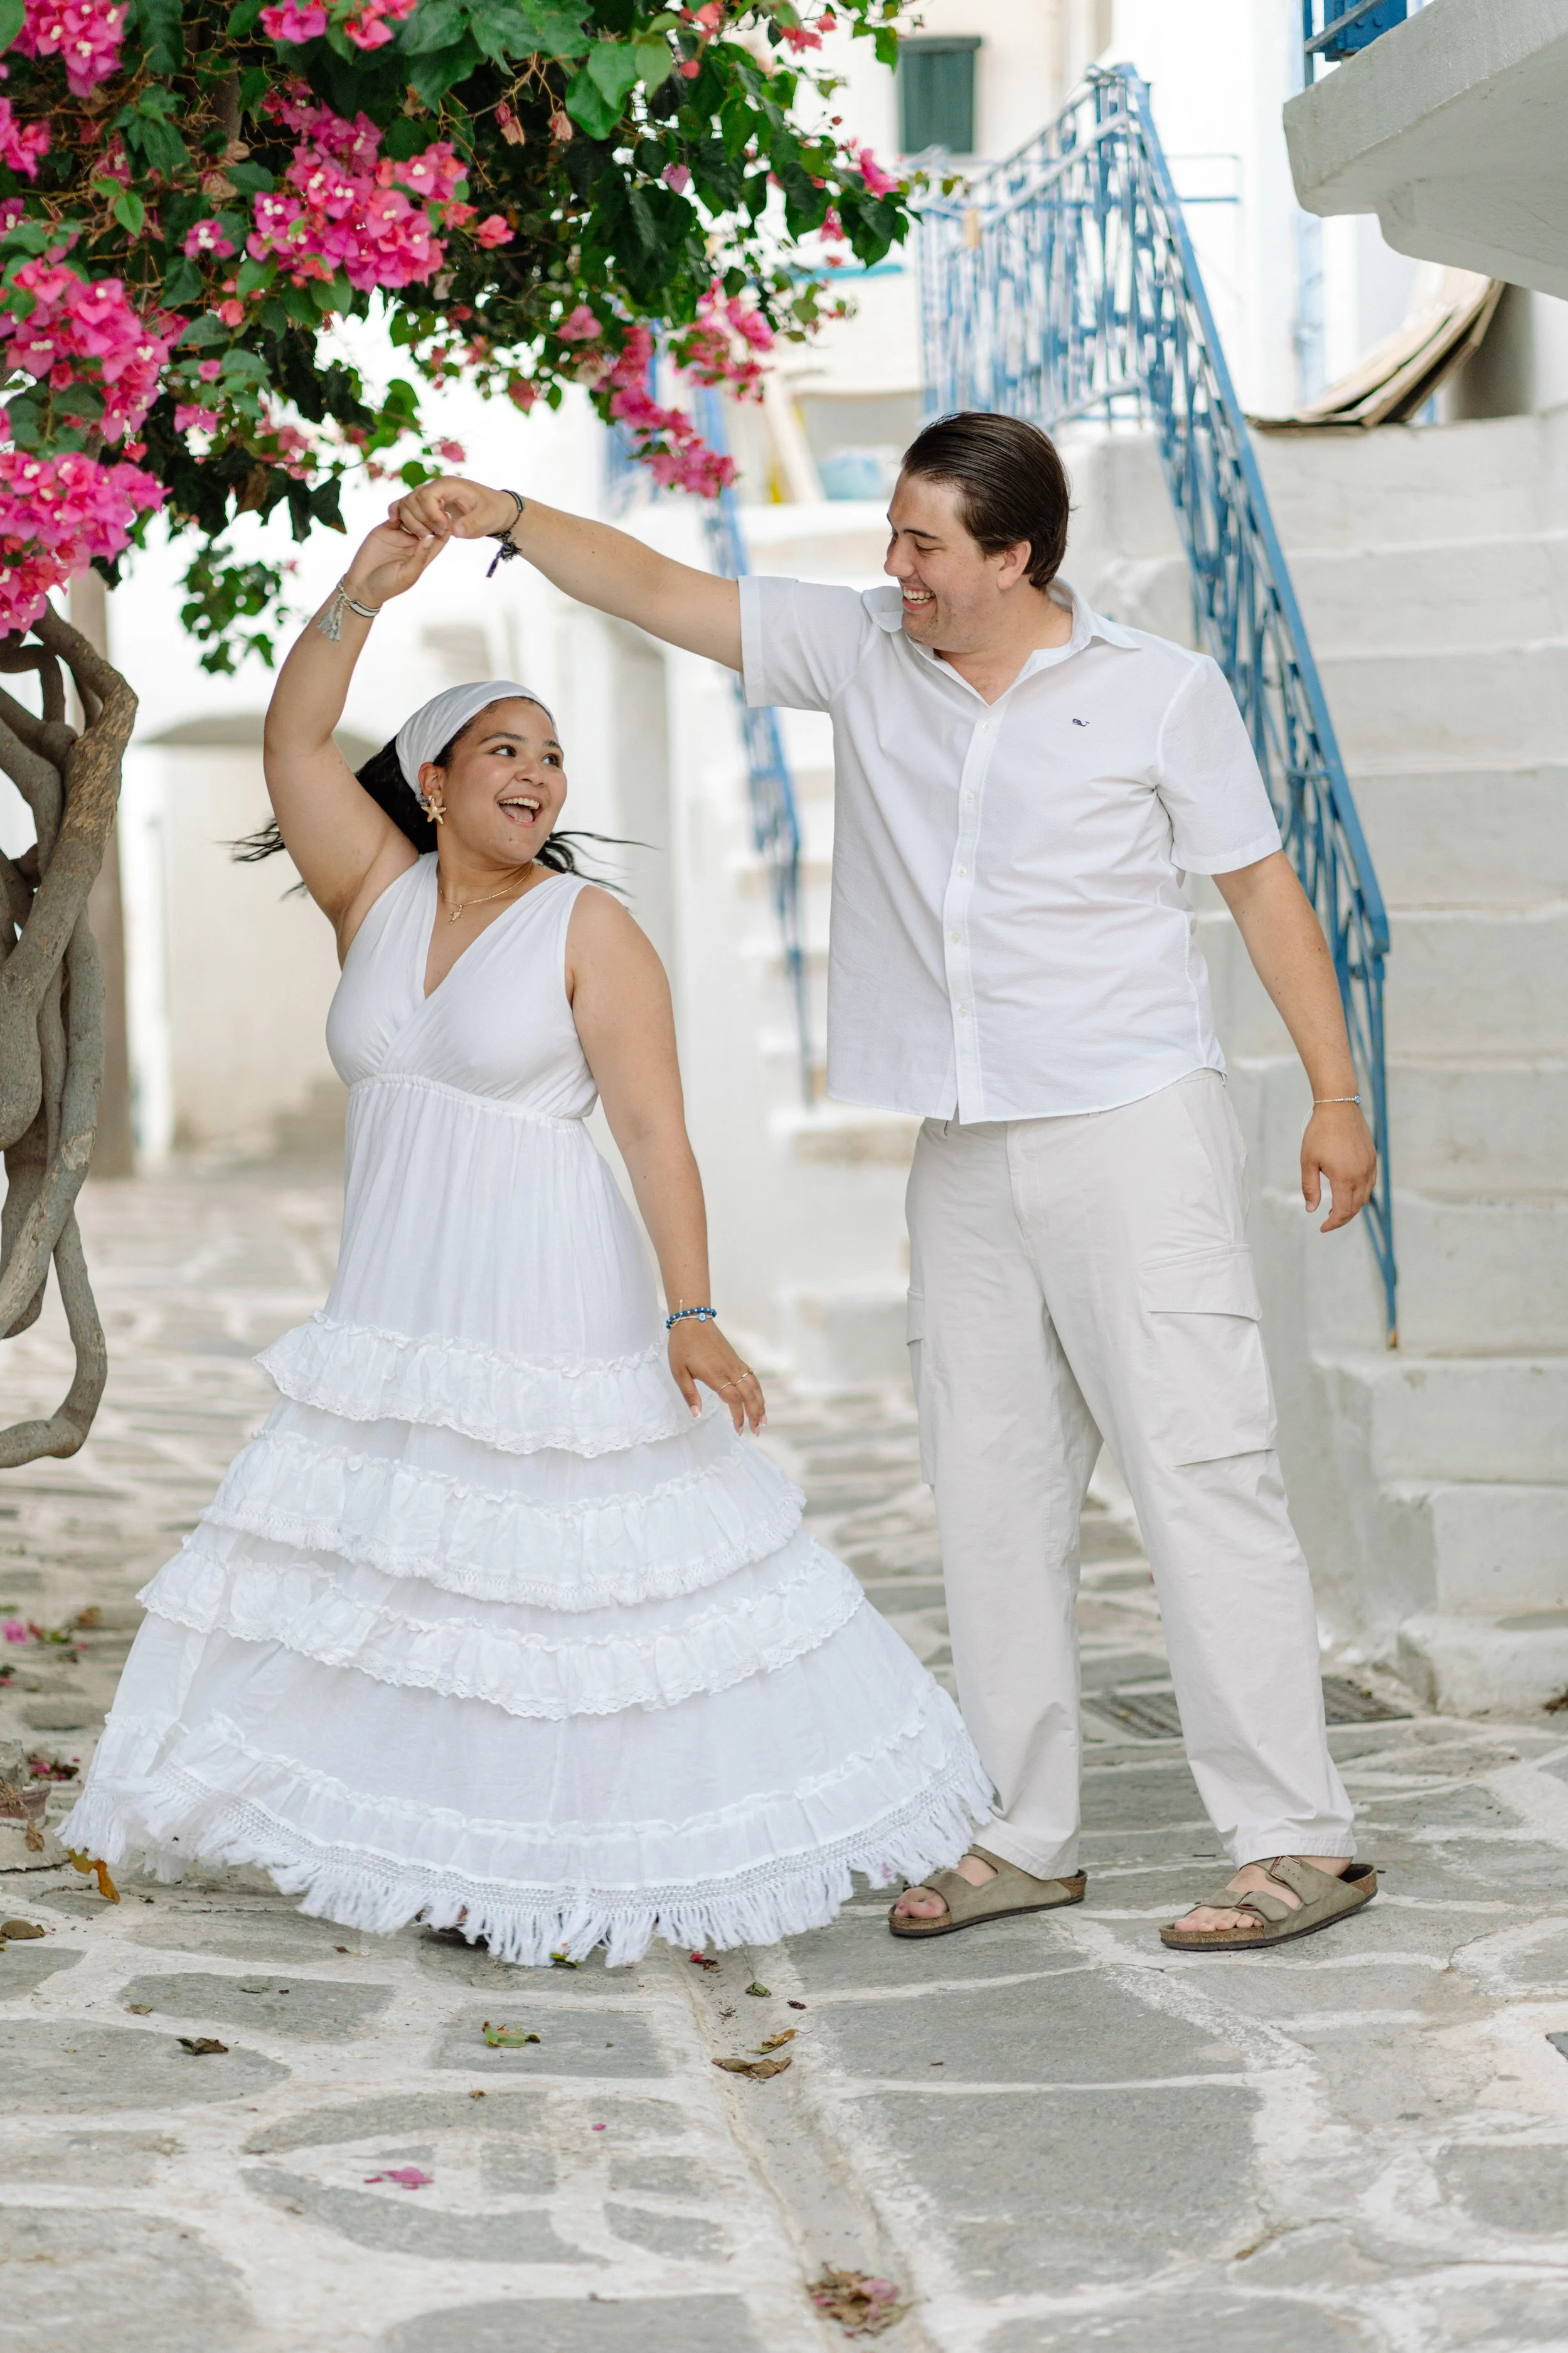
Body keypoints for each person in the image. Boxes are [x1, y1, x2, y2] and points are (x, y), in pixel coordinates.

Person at [385, 409, 1381, 1955]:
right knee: (988, 1493)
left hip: (1131, 1124)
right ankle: (1019, 1829)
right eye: (893, 537)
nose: (890, 567)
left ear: (1013, 557)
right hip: (961, 1144)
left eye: (922, 544)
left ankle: (1292, 1837)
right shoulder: (861, 651)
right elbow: (658, 589)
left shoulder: (1158, 694)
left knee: (1197, 1469)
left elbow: (1258, 887)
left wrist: (1331, 1097)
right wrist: (504, 508)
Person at [62, 517, 991, 1965]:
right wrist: (367, 585)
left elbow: (652, 1134)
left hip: (548, 1282)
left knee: (565, 1575)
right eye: (502, 749)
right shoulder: (373, 895)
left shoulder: (587, 926)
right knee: (413, 1574)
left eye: (550, 756)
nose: (535, 775)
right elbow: (297, 742)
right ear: (431, 781)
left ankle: (580, 1851)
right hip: (399, 1293)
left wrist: (690, 1312)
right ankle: (441, 1848)